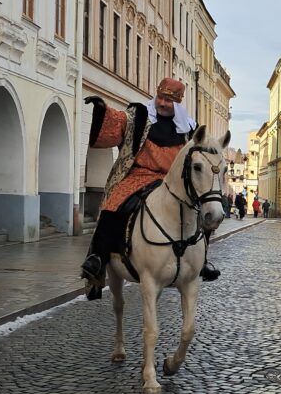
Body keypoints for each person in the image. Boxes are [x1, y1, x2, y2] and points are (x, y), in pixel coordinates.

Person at [80, 78, 220, 298]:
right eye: (160, 98)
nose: (162, 103)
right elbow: (120, 121)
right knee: (113, 204)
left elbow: (203, 149)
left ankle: (201, 261)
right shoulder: (140, 115)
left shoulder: (189, 127)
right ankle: (98, 257)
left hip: (172, 179)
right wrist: (102, 110)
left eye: (168, 100)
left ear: (177, 102)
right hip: (140, 174)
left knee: (202, 210)